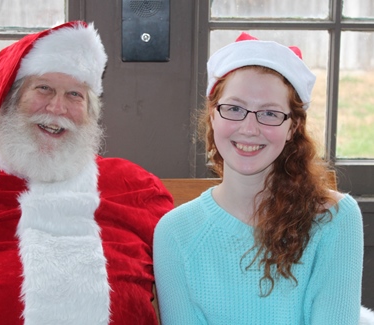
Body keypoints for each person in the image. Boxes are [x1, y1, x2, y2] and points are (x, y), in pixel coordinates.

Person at [0, 21, 173, 325]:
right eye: (43, 88)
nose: (57, 107)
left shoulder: (135, 188)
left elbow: (189, 278)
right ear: (8, 99)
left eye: (74, 95)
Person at [154, 32, 374, 324]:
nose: (249, 128)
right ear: (213, 115)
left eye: (269, 113)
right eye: (234, 109)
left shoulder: (334, 219)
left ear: (292, 127)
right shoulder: (175, 232)